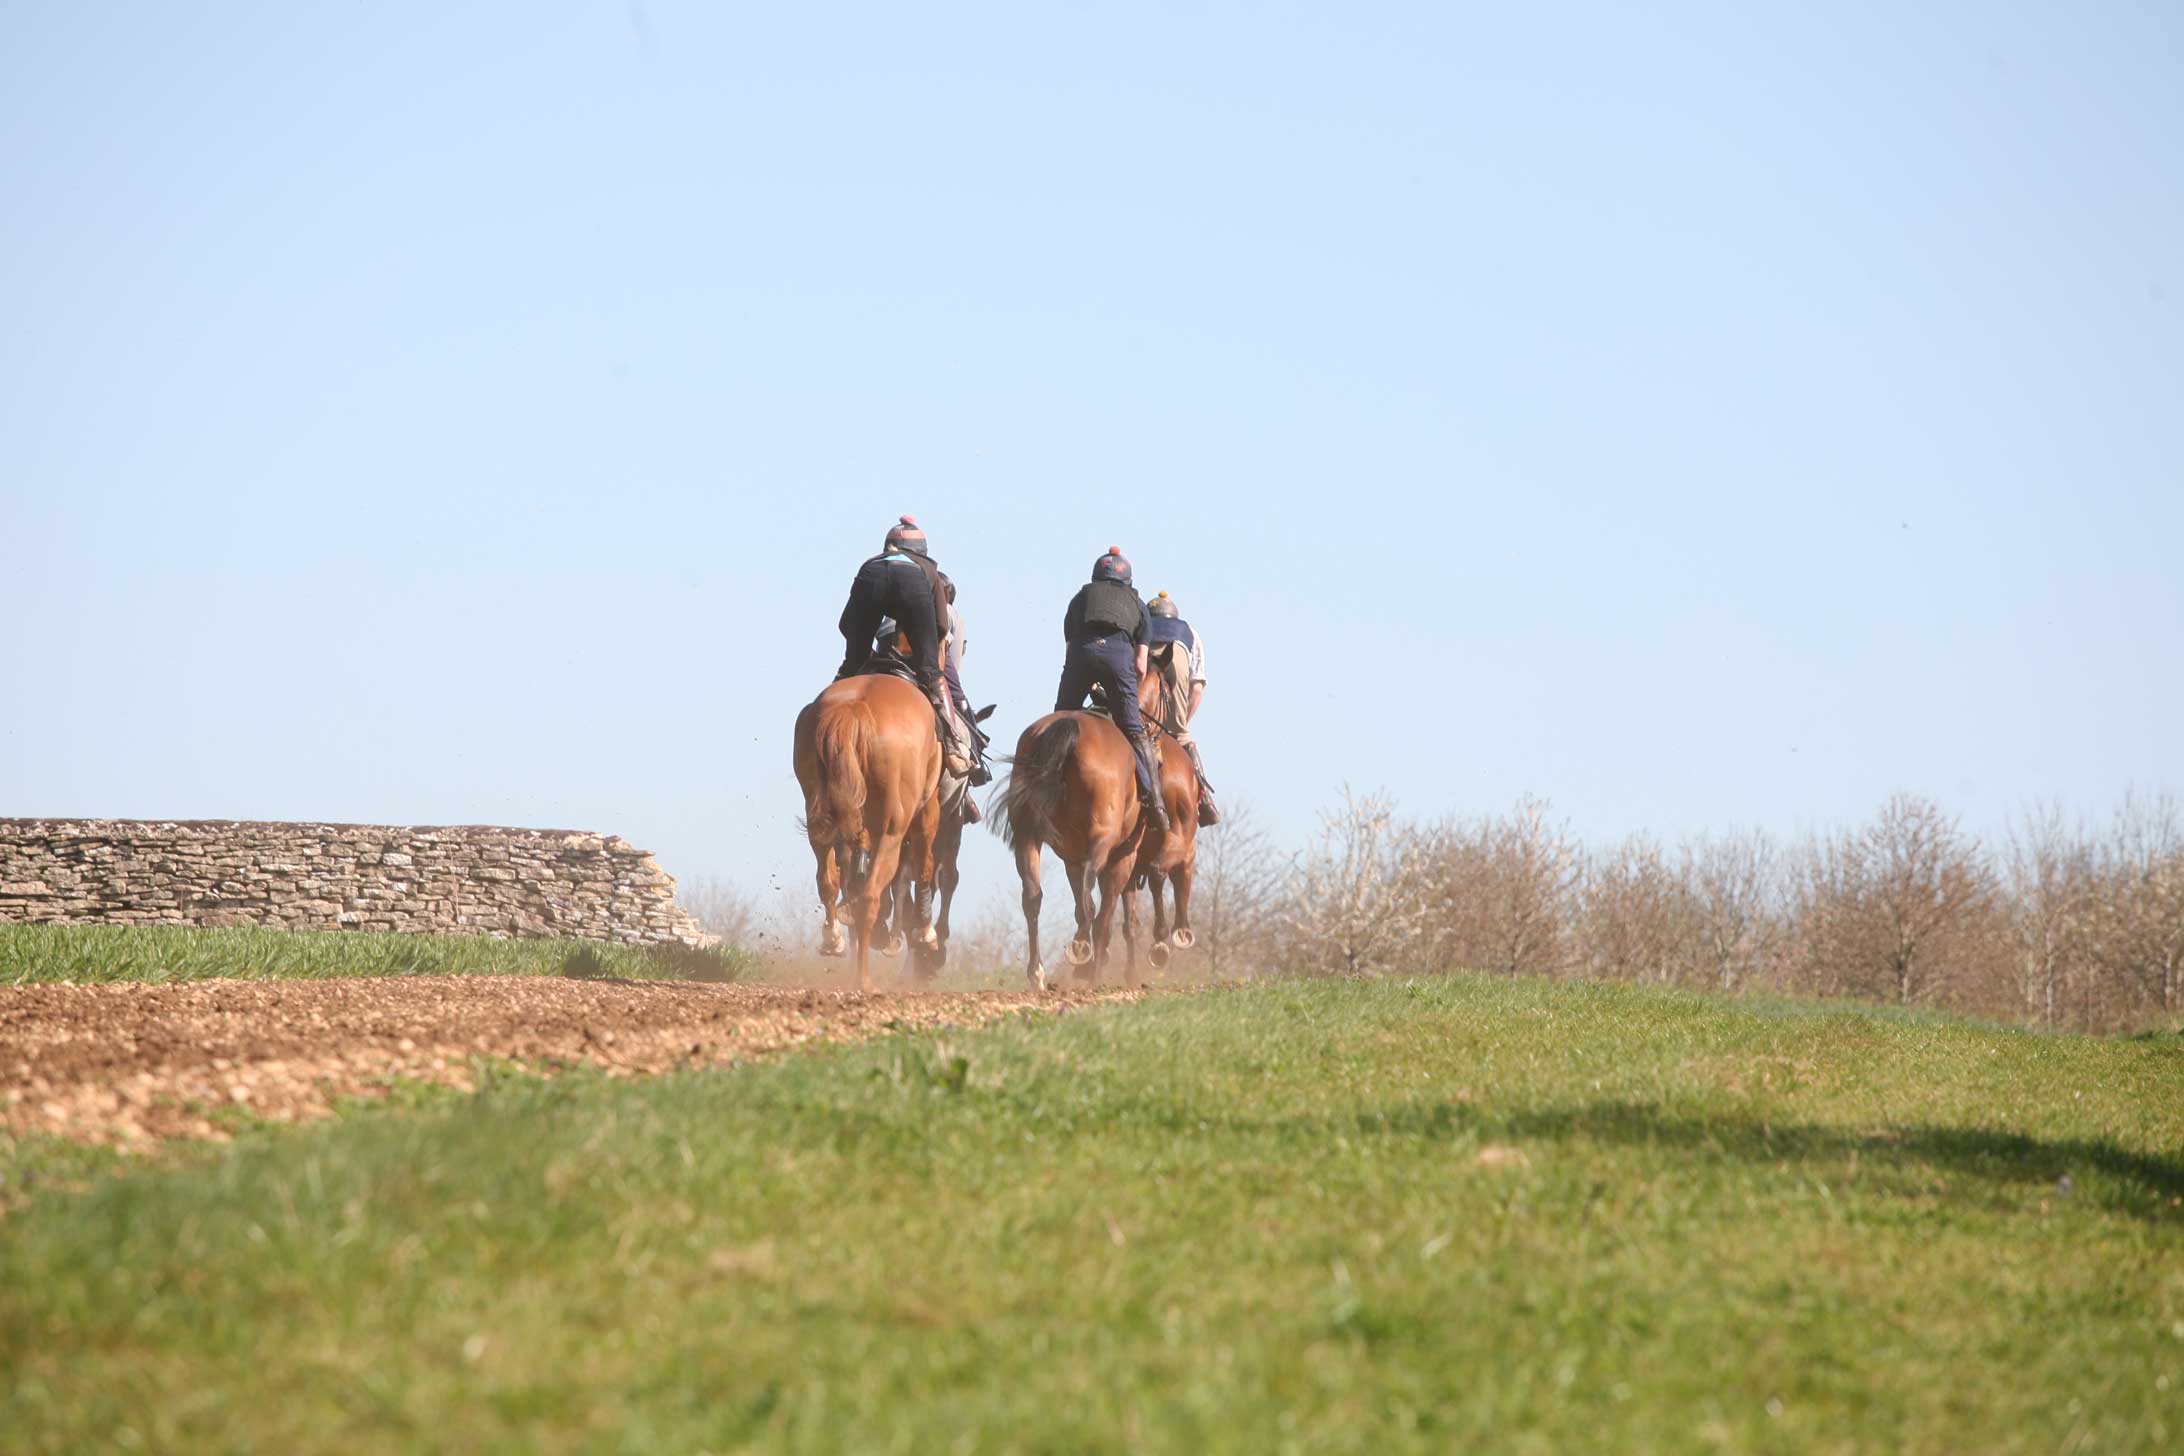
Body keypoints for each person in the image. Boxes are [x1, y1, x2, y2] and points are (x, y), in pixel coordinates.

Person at [836, 515, 972, 778]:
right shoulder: (928, 568)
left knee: (850, 667)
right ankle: (955, 745)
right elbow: (940, 626)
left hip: (870, 582)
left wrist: (861, 655)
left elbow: (846, 624)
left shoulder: (871, 563)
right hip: (913, 586)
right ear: (923, 551)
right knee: (933, 675)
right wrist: (927, 658)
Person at [1055, 547, 1168, 832]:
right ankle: (1155, 803)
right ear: (1127, 580)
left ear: (1096, 577)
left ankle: (1044, 787)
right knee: (1133, 729)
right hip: (1119, 657)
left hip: (1080, 654)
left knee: (1060, 720)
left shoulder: (1080, 598)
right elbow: (1141, 666)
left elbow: (1070, 649)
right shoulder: (1138, 604)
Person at [1144, 591, 1219, 826]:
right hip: (1177, 658)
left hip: (1141, 654)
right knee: (1182, 736)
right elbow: (1196, 689)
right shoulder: (1190, 634)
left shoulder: (1138, 627)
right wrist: (1178, 725)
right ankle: (1206, 804)